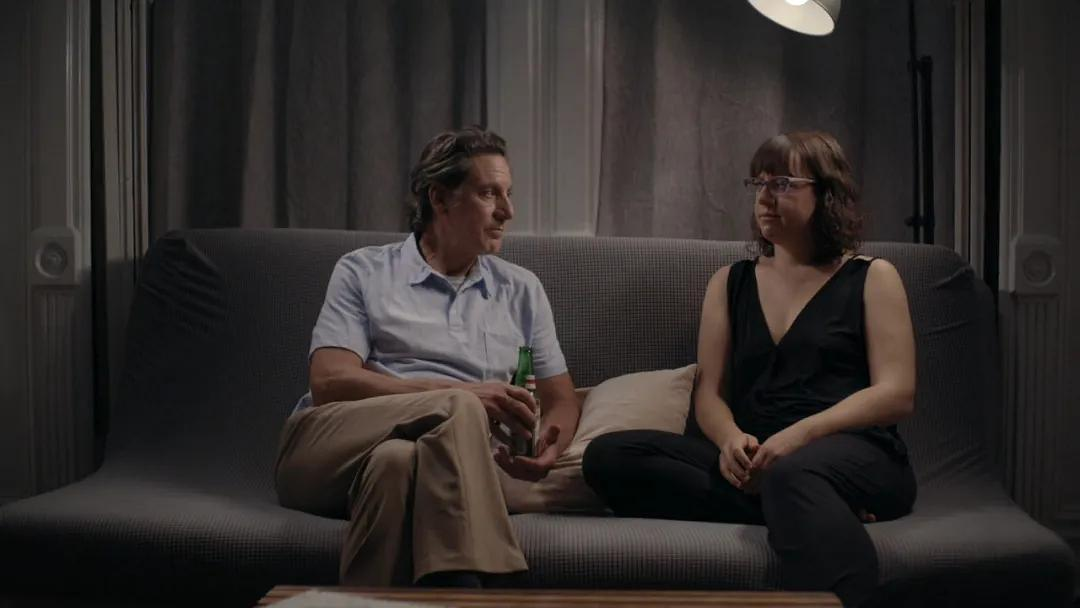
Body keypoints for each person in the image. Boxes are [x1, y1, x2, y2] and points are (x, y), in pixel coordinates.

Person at [582, 131, 917, 607]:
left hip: (853, 452)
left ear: (825, 193)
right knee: (608, 456)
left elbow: (896, 393)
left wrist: (798, 437)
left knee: (790, 475)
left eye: (781, 183)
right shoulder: (730, 282)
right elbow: (709, 395)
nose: (764, 197)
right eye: (758, 183)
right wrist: (729, 441)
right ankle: (813, 507)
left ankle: (838, 569)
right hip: (759, 460)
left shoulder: (872, 276)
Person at [275, 126, 580, 588]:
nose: (507, 211)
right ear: (439, 198)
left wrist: (549, 448)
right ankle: (484, 587)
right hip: (324, 451)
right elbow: (330, 383)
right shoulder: (363, 271)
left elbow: (561, 399)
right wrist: (461, 394)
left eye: (508, 194)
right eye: (488, 193)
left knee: (396, 464)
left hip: (418, 462)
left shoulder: (521, 290)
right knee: (460, 406)